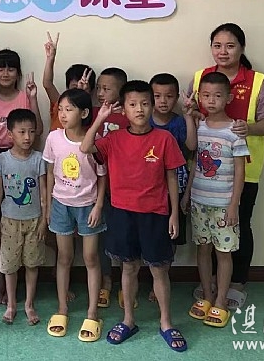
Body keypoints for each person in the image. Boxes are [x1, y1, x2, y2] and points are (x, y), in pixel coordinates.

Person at [81, 80, 187, 351]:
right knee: (128, 268)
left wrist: (174, 213)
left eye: (145, 103)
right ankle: (128, 319)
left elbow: (172, 177)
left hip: (156, 213)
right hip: (122, 213)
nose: (139, 109)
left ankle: (166, 322)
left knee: (159, 270)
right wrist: (102, 117)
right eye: (132, 104)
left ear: (152, 106)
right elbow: (85, 147)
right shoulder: (114, 139)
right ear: (124, 109)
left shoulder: (164, 139)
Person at [189, 23, 264, 308]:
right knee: (207, 235)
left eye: (230, 46)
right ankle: (211, 285)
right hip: (206, 175)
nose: (223, 51)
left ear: (242, 48)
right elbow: (191, 115)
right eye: (217, 45)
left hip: (244, 170)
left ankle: (236, 283)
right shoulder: (200, 77)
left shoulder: (258, 81)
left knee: (239, 225)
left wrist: (248, 128)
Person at [184, 72, 248, 329]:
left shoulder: (235, 131)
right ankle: (207, 296)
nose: (211, 101)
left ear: (229, 98)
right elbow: (192, 153)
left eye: (217, 96)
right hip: (199, 201)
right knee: (202, 250)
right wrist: (187, 195)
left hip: (224, 206)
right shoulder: (199, 125)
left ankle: (221, 300)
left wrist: (234, 205)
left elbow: (240, 172)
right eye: (206, 95)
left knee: (223, 253)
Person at [44, 89, 106, 342]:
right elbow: (50, 173)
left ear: (83, 113)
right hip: (61, 204)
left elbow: (102, 176)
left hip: (88, 206)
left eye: (68, 109)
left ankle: (92, 313)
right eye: (60, 109)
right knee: (64, 257)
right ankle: (62, 309)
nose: (62, 114)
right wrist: (48, 205)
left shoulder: (95, 140)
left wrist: (99, 206)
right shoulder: (53, 138)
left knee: (91, 258)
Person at [0, 48, 43, 304]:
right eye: (1, 68)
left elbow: (38, 130)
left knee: (28, 223)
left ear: (18, 72)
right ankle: (0, 283)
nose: (6, 73)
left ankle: (21, 290)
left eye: (11, 68)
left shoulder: (24, 96)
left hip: (26, 160)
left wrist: (33, 98)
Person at [0, 109, 47, 326]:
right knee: (10, 265)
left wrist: (44, 220)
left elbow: (43, 192)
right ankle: (11, 304)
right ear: (10, 134)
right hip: (9, 221)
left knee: (32, 264)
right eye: (22, 132)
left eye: (31, 132)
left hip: (34, 220)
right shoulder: (1, 160)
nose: (27, 137)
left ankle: (29, 304)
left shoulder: (39, 159)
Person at [145, 72, 197, 303]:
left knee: (171, 236)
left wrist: (188, 115)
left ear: (176, 98)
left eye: (169, 96)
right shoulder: (144, 121)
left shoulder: (178, 122)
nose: (163, 101)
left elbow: (192, 146)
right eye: (157, 96)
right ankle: (153, 280)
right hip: (149, 190)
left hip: (176, 187)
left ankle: (162, 279)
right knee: (151, 235)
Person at [93, 67, 129, 309]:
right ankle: (106, 280)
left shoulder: (129, 115)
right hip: (98, 185)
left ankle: (127, 284)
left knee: (125, 235)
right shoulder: (94, 113)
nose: (100, 92)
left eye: (106, 88)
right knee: (101, 236)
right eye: (98, 88)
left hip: (123, 185)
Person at [42, 31, 96, 131]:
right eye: (75, 88)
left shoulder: (91, 113)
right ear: (67, 88)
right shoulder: (60, 103)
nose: (78, 92)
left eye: (83, 88)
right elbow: (47, 84)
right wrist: (50, 58)